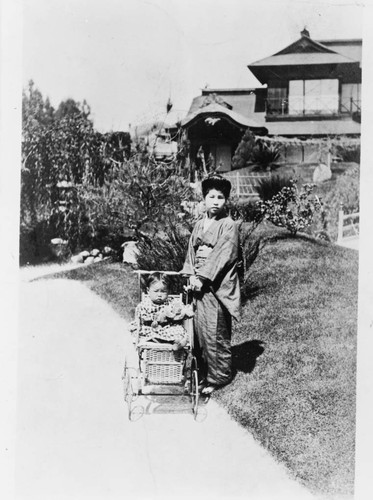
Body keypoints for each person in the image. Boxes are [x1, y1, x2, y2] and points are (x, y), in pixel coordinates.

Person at [181, 173, 241, 395]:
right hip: (197, 282)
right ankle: (201, 373)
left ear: (226, 200)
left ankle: (219, 377)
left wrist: (203, 277)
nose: (216, 201)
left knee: (214, 332)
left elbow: (224, 254)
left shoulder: (229, 225)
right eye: (211, 196)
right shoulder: (199, 225)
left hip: (215, 284)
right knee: (197, 332)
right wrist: (189, 275)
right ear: (204, 199)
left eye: (221, 197)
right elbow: (191, 252)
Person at [130, 272, 193, 351]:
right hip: (151, 328)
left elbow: (182, 309)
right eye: (156, 291)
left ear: (168, 291)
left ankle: (178, 343)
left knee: (179, 330)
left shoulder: (171, 302)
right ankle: (163, 340)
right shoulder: (145, 304)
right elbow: (139, 317)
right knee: (144, 333)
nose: (159, 295)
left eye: (163, 291)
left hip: (168, 328)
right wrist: (153, 319)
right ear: (148, 290)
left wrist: (184, 311)